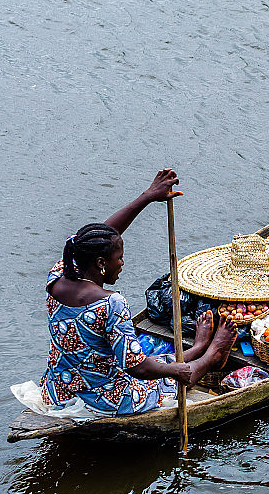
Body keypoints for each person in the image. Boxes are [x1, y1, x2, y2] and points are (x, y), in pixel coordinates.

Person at [40, 169, 237, 416]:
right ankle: (210, 357)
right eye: (119, 258)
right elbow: (137, 368)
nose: (122, 263)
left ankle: (196, 349)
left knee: (157, 360)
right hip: (105, 400)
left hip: (60, 389)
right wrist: (176, 371)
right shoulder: (111, 303)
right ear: (101, 263)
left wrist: (148, 196)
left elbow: (102, 236)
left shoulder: (59, 274)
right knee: (169, 375)